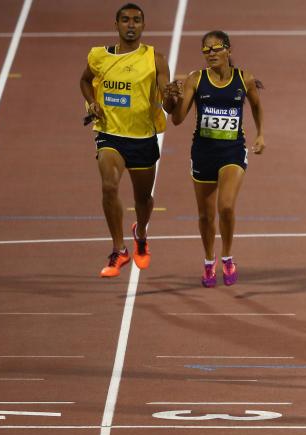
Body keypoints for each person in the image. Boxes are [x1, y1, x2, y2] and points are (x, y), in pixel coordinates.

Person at [80, 3, 176, 277]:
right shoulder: (99, 56)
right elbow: (85, 81)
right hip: (110, 135)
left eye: (136, 20)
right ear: (116, 25)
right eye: (125, 20)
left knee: (143, 198)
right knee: (109, 186)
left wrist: (170, 95)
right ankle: (119, 249)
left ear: (143, 26)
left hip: (143, 138)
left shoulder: (154, 58)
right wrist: (91, 104)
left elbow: (168, 105)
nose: (131, 24)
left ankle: (141, 234)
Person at [168, 30, 264, 287]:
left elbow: (255, 104)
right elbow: (177, 119)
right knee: (205, 216)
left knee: (226, 206)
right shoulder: (195, 80)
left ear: (228, 50)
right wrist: (169, 99)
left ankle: (228, 258)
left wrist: (261, 134)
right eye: (205, 50)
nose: (210, 53)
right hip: (202, 153)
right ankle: (209, 262)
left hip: (232, 151)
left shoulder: (244, 79)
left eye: (215, 48)